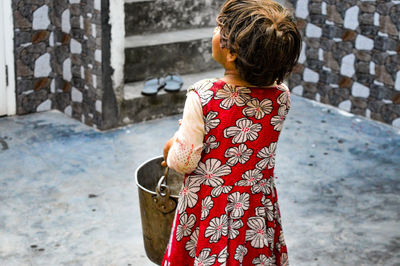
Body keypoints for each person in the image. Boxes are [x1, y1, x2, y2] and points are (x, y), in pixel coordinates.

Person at [161, 0, 301, 265]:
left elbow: (184, 161)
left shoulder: (203, 95)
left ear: (232, 52)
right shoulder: (281, 96)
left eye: (219, 28)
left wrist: (172, 145)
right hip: (255, 211)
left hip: (207, 210)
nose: (214, 32)